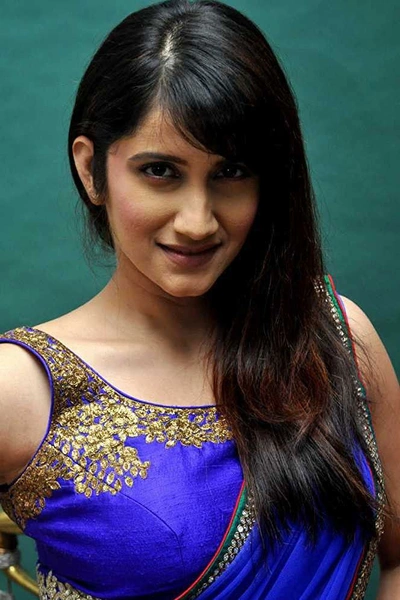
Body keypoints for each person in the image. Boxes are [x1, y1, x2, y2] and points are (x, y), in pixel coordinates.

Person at [0, 0, 399, 598]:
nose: (197, 221)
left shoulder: (333, 340)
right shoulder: (22, 389)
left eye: (230, 172)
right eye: (160, 171)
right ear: (90, 169)